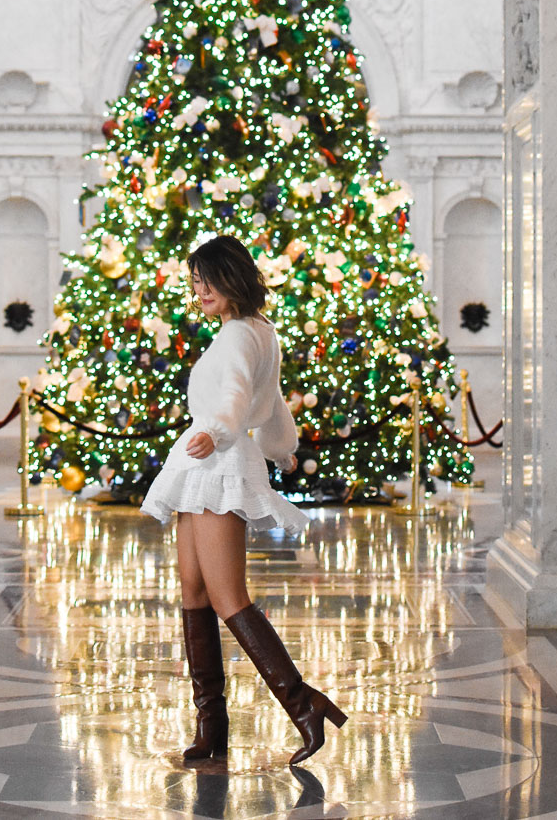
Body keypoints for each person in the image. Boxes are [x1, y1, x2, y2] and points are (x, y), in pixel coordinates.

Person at [140, 234, 349, 767]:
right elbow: (273, 402)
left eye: (207, 280)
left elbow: (236, 396)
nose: (199, 290)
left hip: (214, 461)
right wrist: (281, 450)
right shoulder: (260, 330)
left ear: (233, 278)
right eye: (194, 282)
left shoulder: (237, 334)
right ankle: (212, 725)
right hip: (204, 460)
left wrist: (218, 430)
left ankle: (304, 704)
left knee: (227, 595)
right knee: (192, 590)